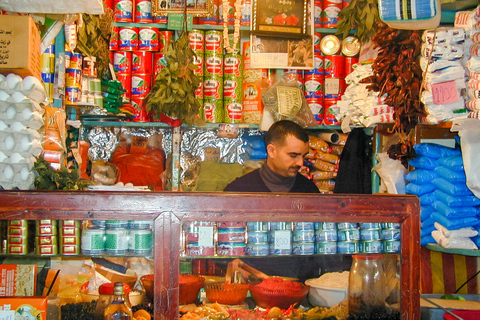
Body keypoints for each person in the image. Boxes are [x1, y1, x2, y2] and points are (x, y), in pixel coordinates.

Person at [224, 120, 319, 193]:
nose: (300, 163)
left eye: (304, 156)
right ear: (272, 151)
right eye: (293, 155)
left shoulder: (309, 190)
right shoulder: (239, 190)